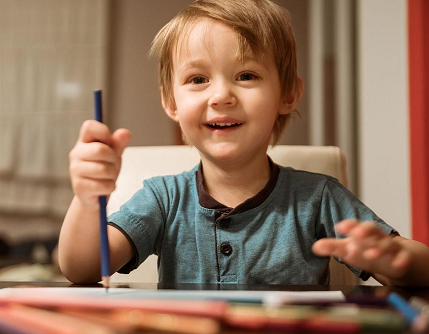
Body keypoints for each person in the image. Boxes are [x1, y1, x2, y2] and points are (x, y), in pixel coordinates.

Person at [59, 0, 429, 286]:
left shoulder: (318, 197)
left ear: (288, 94)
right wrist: (87, 200)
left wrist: (394, 258)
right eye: (198, 79)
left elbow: (417, 267)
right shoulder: (162, 198)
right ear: (171, 103)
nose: (221, 95)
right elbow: (84, 268)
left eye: (246, 75)